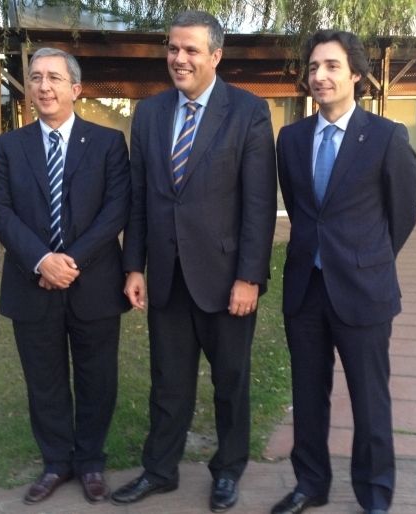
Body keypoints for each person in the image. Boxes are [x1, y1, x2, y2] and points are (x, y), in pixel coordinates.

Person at [112, 10, 277, 513]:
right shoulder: (149, 114)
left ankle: (227, 470)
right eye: (173, 48)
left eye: (190, 50)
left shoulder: (247, 112)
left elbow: (259, 204)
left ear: (215, 56)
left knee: (231, 383)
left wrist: (249, 277)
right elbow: (140, 197)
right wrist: (134, 266)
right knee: (168, 384)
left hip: (226, 280)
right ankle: (160, 471)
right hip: (167, 277)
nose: (179, 59)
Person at [271, 30, 416, 514]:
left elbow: (402, 215)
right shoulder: (291, 139)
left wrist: (365, 259)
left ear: (355, 74)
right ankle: (310, 484)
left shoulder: (386, 137)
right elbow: (302, 210)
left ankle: (374, 493)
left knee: (370, 400)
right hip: (305, 291)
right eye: (314, 66)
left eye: (332, 66)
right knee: (308, 395)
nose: (320, 75)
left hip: (363, 291)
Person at [0, 47, 130, 505]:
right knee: (43, 380)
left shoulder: (108, 143)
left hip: (94, 284)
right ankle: (55, 463)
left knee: (97, 379)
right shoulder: (9, 146)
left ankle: (90, 462)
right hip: (31, 284)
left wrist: (67, 263)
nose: (43, 86)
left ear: (76, 88)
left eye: (54, 77)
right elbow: (0, 211)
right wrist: (41, 261)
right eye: (35, 77)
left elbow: (116, 210)